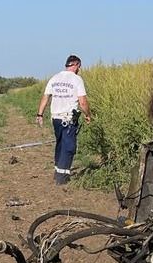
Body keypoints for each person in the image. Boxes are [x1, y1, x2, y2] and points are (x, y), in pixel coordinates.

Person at [37, 55, 91, 185]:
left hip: (55, 118)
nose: (79, 69)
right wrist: (88, 114)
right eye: (79, 67)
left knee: (60, 144)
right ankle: (62, 177)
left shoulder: (54, 78)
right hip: (68, 119)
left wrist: (39, 114)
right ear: (76, 65)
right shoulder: (77, 80)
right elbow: (82, 102)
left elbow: (46, 97)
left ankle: (57, 172)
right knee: (69, 147)